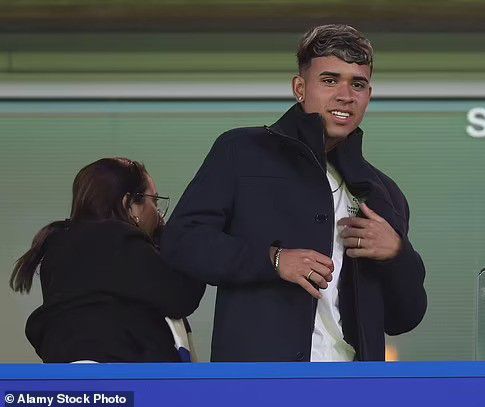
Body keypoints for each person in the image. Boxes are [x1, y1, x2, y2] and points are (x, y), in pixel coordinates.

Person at [162, 24, 427, 362]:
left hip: (354, 382)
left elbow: (405, 317)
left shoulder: (382, 192)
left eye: (357, 84)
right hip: (263, 380)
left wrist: (397, 254)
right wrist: (273, 260)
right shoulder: (241, 151)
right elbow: (182, 242)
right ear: (300, 88)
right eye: (330, 80)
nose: (345, 95)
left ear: (369, 95)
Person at [10, 158, 205, 363]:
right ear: (129, 203)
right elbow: (181, 296)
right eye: (154, 201)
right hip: (124, 374)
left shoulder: (57, 248)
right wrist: (193, 241)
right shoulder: (120, 240)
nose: (158, 215)